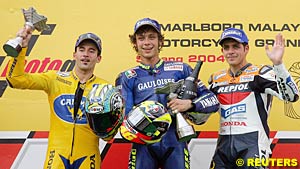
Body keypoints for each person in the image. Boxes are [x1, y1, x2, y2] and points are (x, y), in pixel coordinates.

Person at [115, 17, 219, 169]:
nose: (147, 42)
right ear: (135, 43)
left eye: (152, 37)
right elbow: (125, 121)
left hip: (175, 142)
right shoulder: (128, 77)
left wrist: (189, 104)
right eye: (141, 38)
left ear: (160, 41)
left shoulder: (181, 69)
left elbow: (212, 101)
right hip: (143, 147)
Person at [5, 28, 115, 168]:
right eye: (82, 49)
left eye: (91, 51)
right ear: (74, 54)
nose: (86, 54)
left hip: (88, 157)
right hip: (57, 155)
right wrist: (22, 48)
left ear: (99, 58)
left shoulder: (105, 89)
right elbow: (15, 79)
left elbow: (109, 135)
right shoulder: (54, 79)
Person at [208, 28, 299, 168]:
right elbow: (201, 115)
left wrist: (278, 65)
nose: (230, 51)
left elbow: (292, 96)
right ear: (222, 52)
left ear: (246, 48)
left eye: (235, 46)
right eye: (226, 47)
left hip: (253, 143)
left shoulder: (260, 73)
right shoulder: (216, 79)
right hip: (223, 146)